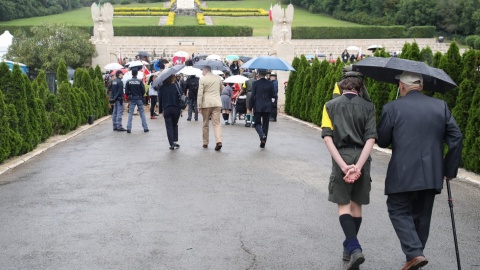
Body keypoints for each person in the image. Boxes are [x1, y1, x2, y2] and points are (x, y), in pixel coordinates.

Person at [377, 71, 463, 270]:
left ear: (402, 87)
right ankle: (416, 255)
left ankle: (415, 254)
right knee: (422, 215)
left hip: (402, 171)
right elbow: (456, 138)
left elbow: (382, 140)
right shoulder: (440, 106)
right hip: (432, 172)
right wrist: (449, 169)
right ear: (421, 86)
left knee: (397, 209)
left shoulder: (392, 107)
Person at [321, 75, 377, 270]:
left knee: (343, 205)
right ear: (359, 89)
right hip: (363, 158)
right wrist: (359, 167)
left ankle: (353, 247)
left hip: (341, 156)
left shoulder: (329, 105)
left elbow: (327, 138)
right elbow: (371, 139)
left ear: (341, 88)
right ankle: (349, 248)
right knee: (356, 205)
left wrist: (344, 166)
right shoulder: (369, 107)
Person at [197, 65, 223, 150]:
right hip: (217, 103)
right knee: (217, 123)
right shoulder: (218, 78)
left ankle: (205, 142)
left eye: (202, 71)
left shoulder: (202, 79)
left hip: (206, 103)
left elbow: (200, 93)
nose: (202, 73)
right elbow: (221, 90)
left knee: (205, 123)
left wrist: (199, 105)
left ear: (205, 70)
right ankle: (219, 141)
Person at [249, 69, 276, 148]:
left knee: (257, 123)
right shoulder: (270, 83)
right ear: (265, 74)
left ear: (258, 74)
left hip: (258, 106)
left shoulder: (255, 83)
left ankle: (262, 135)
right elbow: (274, 95)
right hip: (267, 106)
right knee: (265, 125)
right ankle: (263, 142)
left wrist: (250, 106)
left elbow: (252, 96)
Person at [157, 74, 182, 150]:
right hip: (176, 108)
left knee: (169, 126)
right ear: (172, 78)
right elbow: (181, 94)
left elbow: (160, 99)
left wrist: (160, 110)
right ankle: (174, 139)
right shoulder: (176, 86)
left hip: (166, 108)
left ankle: (171, 143)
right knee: (175, 124)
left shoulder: (161, 88)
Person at [125, 69, 149, 133]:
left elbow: (126, 92)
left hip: (132, 99)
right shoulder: (140, 81)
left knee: (130, 113)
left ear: (132, 73)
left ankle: (128, 128)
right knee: (142, 113)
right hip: (139, 98)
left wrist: (130, 96)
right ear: (137, 74)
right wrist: (140, 95)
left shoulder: (128, 81)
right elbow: (143, 90)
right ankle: (145, 128)